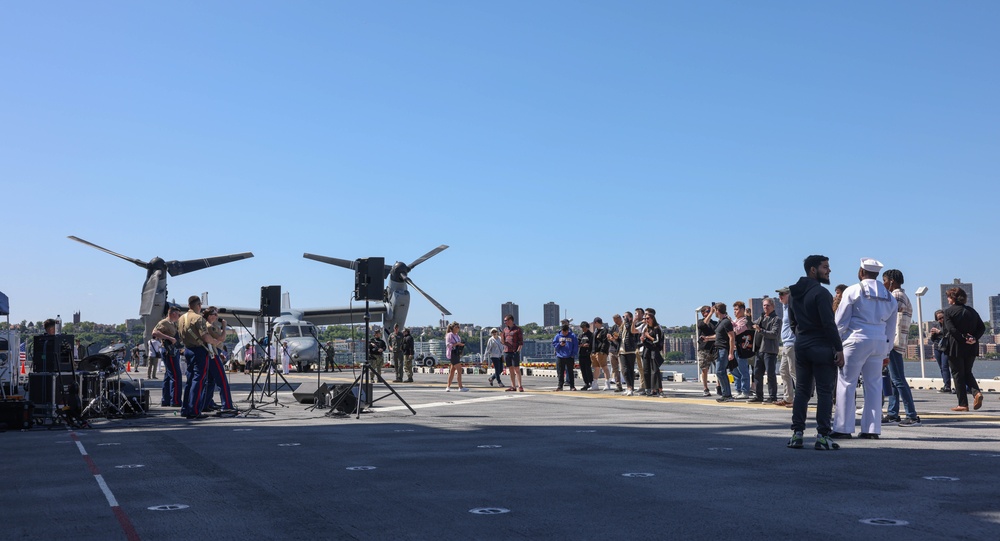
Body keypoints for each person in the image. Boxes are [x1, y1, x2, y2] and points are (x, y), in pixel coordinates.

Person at [829, 259, 898, 440]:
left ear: (861, 272)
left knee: (846, 383)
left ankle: (843, 428)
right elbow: (891, 326)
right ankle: (872, 429)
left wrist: (835, 342)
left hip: (856, 341)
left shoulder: (853, 290)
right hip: (878, 342)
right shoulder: (888, 296)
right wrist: (887, 348)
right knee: (874, 385)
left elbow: (841, 321)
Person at [787, 255, 844, 451]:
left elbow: (792, 322)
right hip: (821, 346)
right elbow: (829, 324)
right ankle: (822, 436)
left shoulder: (794, 294)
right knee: (825, 392)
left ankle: (797, 434)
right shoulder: (821, 293)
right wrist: (839, 349)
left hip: (801, 345)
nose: (829, 271)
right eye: (825, 267)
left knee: (802, 391)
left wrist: (802, 336)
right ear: (813, 270)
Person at [881, 269, 921, 427]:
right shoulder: (902, 295)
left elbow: (884, 315)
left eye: (884, 280)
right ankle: (893, 413)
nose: (883, 284)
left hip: (893, 341)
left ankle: (912, 415)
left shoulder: (896, 296)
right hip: (897, 341)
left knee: (898, 380)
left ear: (891, 280)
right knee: (893, 380)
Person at [178, 296, 224, 420]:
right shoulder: (198, 318)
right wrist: (214, 342)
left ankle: (185, 408)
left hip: (187, 349)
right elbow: (205, 337)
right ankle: (194, 410)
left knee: (190, 380)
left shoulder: (181, 318)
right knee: (198, 380)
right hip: (199, 351)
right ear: (198, 305)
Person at [940, 287, 986, 412]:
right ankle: (976, 393)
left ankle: (963, 404)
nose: (948, 299)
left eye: (949, 297)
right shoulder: (972, 311)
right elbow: (981, 327)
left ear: (953, 298)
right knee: (967, 372)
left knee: (957, 374)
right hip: (971, 347)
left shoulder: (948, 312)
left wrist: (962, 338)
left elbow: (951, 329)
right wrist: (973, 338)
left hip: (955, 347)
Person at [201, 307, 236, 415]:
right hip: (213, 354)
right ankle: (227, 405)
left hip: (214, 351)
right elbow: (222, 338)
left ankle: (206, 403)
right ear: (210, 315)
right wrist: (224, 327)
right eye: (215, 314)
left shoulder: (212, 325)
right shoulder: (210, 326)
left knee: (210, 381)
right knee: (222, 380)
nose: (217, 317)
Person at [151, 307, 183, 407]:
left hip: (172, 350)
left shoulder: (173, 324)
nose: (179, 316)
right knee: (176, 376)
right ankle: (175, 400)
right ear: (173, 314)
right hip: (169, 351)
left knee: (168, 376)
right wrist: (169, 338)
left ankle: (166, 399)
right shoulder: (164, 322)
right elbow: (154, 332)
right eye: (178, 314)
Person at [751, 298, 781, 403]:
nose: (765, 307)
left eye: (767, 305)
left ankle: (773, 397)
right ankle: (759, 396)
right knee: (757, 373)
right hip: (759, 350)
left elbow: (774, 334)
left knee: (770, 374)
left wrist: (761, 330)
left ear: (773, 306)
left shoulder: (776, 319)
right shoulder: (761, 318)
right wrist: (746, 317)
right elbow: (751, 325)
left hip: (769, 350)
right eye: (764, 305)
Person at [775, 288, 796, 408]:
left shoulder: (793, 307)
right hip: (785, 344)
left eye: (782, 294)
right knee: (783, 371)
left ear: (789, 294)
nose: (780, 296)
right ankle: (788, 398)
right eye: (779, 294)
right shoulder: (785, 307)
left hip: (792, 343)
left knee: (794, 372)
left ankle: (799, 399)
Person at [713, 303, 736, 402]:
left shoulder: (726, 322)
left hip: (723, 350)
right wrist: (706, 338)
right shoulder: (720, 322)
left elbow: (731, 337)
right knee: (720, 372)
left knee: (720, 371)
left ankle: (727, 394)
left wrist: (730, 353)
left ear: (717, 310)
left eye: (714, 310)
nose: (714, 312)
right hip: (718, 350)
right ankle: (726, 394)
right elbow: (718, 336)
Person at [731, 302, 754, 399]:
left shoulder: (744, 321)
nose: (735, 312)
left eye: (736, 309)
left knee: (743, 370)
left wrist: (730, 323)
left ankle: (745, 391)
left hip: (742, 349)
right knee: (735, 371)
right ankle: (738, 390)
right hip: (734, 348)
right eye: (734, 310)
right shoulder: (735, 320)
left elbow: (737, 331)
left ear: (742, 310)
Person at [641, 309, 664, 397]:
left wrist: (648, 336)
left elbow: (657, 341)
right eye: (645, 319)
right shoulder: (646, 328)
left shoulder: (656, 328)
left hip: (654, 350)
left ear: (652, 318)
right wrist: (643, 340)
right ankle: (649, 389)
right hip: (647, 350)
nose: (646, 320)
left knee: (655, 371)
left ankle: (659, 389)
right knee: (646, 370)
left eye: (648, 318)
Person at [695, 306, 717, 397]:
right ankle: (705, 388)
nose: (710, 312)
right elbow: (703, 325)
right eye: (707, 311)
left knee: (719, 368)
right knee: (705, 369)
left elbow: (718, 334)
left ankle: (718, 386)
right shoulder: (700, 322)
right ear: (703, 313)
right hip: (704, 349)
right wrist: (711, 313)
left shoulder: (715, 323)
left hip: (714, 348)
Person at [928, 310, 952, 393]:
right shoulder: (936, 325)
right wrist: (932, 334)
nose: (941, 320)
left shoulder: (949, 325)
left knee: (945, 366)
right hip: (937, 347)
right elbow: (932, 339)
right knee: (941, 367)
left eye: (942, 317)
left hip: (946, 347)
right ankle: (946, 384)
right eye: (939, 318)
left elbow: (949, 334)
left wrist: (939, 332)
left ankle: (948, 386)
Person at [501, 315, 524, 392]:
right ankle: (513, 386)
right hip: (507, 351)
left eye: (506, 320)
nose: (504, 322)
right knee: (510, 369)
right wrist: (501, 337)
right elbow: (503, 342)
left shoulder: (517, 329)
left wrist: (518, 350)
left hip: (514, 351)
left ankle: (520, 385)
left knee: (516, 368)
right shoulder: (505, 330)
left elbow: (521, 342)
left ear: (510, 320)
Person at [552, 324, 578, 391]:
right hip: (560, 356)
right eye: (563, 332)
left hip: (569, 356)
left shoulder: (572, 336)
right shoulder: (558, 336)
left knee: (570, 372)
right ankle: (560, 386)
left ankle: (572, 386)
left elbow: (575, 346)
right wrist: (560, 345)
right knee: (560, 372)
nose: (565, 333)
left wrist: (573, 354)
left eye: (566, 332)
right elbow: (554, 345)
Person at [619, 311, 639, 395]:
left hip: (630, 350)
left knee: (630, 370)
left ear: (630, 318)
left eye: (626, 317)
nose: (624, 318)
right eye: (623, 317)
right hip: (622, 350)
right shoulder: (622, 327)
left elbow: (632, 332)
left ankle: (630, 388)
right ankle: (629, 387)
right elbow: (621, 338)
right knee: (624, 370)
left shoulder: (630, 326)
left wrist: (629, 322)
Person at [444, 323, 468, 392]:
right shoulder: (449, 335)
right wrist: (456, 344)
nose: (458, 328)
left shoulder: (457, 336)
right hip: (452, 353)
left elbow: (458, 344)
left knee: (452, 371)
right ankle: (460, 387)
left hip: (456, 354)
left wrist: (461, 345)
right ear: (453, 328)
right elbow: (448, 345)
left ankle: (448, 386)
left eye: (458, 327)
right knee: (459, 370)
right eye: (456, 327)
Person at [591, 317, 612, 391]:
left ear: (596, 323)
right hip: (594, 351)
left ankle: (607, 383)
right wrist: (593, 351)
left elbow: (605, 342)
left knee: (604, 367)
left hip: (601, 352)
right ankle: (595, 384)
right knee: (596, 368)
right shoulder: (596, 331)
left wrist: (602, 351)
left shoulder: (604, 331)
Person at [607, 314, 623, 392]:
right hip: (612, 350)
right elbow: (609, 333)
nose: (616, 322)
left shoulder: (623, 327)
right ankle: (618, 385)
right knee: (615, 369)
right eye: (614, 321)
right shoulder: (614, 327)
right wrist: (609, 337)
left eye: (616, 320)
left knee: (623, 368)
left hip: (620, 349)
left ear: (620, 319)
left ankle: (629, 384)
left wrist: (616, 339)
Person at [577, 322, 594, 390]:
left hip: (588, 354)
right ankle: (586, 383)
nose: (583, 329)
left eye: (584, 327)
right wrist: (582, 345)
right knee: (583, 369)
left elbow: (593, 344)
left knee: (588, 368)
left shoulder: (591, 335)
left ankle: (591, 382)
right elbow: (577, 344)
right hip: (581, 354)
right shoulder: (580, 335)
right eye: (582, 327)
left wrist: (588, 346)